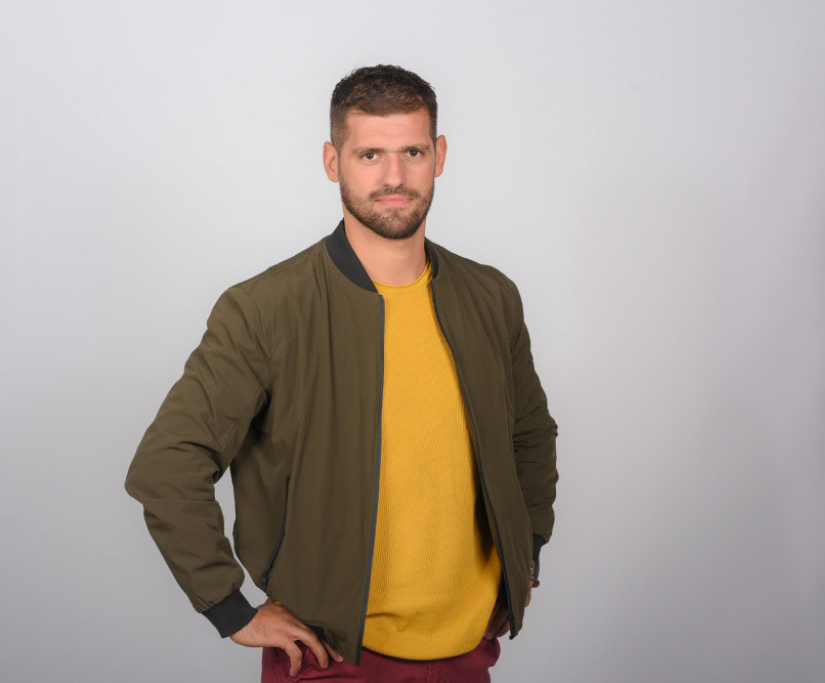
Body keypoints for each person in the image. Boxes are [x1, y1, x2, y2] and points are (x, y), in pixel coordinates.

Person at [125, 64, 558, 682]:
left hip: (468, 651)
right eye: (369, 154)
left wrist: (525, 556)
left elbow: (530, 437)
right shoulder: (265, 309)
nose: (394, 177)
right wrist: (230, 609)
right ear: (333, 162)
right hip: (331, 657)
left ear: (439, 155)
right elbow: (167, 464)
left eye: (412, 152)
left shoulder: (491, 296)